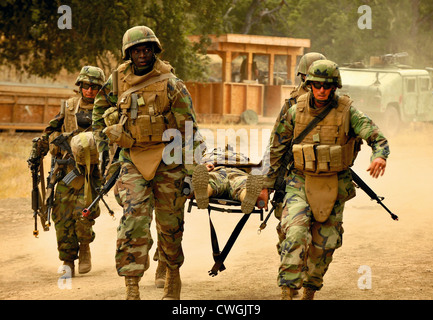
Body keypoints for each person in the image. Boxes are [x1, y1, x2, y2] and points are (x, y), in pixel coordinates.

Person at [261, 59, 390, 300]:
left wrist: (380, 156)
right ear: (309, 84)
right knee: (295, 233)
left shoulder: (347, 112)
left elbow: (377, 137)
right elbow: (276, 149)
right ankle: (288, 291)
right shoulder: (294, 110)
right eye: (317, 85)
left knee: (324, 245)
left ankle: (310, 288)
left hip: (334, 184)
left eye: (327, 86)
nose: (321, 90)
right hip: (299, 181)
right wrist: (266, 186)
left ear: (335, 86)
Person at [92, 25, 203, 300]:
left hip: (168, 159)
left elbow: (190, 130)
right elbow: (98, 109)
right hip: (132, 157)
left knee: (170, 224)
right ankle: (132, 287)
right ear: (129, 53)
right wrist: (105, 136)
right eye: (136, 50)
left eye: (146, 49)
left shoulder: (171, 83)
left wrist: (191, 173)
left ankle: (172, 276)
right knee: (133, 221)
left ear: (154, 50)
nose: (142, 54)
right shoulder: (117, 79)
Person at [28, 66, 105, 276]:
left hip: (90, 173)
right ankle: (68, 259)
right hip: (65, 171)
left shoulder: (106, 110)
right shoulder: (69, 107)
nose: (89, 90)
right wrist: (47, 146)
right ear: (80, 86)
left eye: (94, 87)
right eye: (86, 86)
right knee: (62, 218)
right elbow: (50, 130)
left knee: (84, 215)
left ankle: (85, 247)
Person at [191, 145, 267, 214]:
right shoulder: (242, 157)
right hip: (237, 172)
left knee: (212, 181)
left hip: (217, 170)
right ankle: (246, 196)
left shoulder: (209, 155)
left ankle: (204, 192)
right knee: (242, 184)